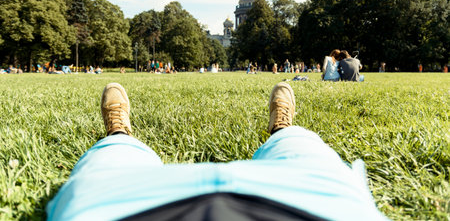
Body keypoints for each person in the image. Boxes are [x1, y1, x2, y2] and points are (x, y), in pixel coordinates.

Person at [46, 82, 387, 221]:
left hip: (122, 208)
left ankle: (119, 134)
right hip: (315, 205)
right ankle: (282, 130)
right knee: (302, 146)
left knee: (113, 157)